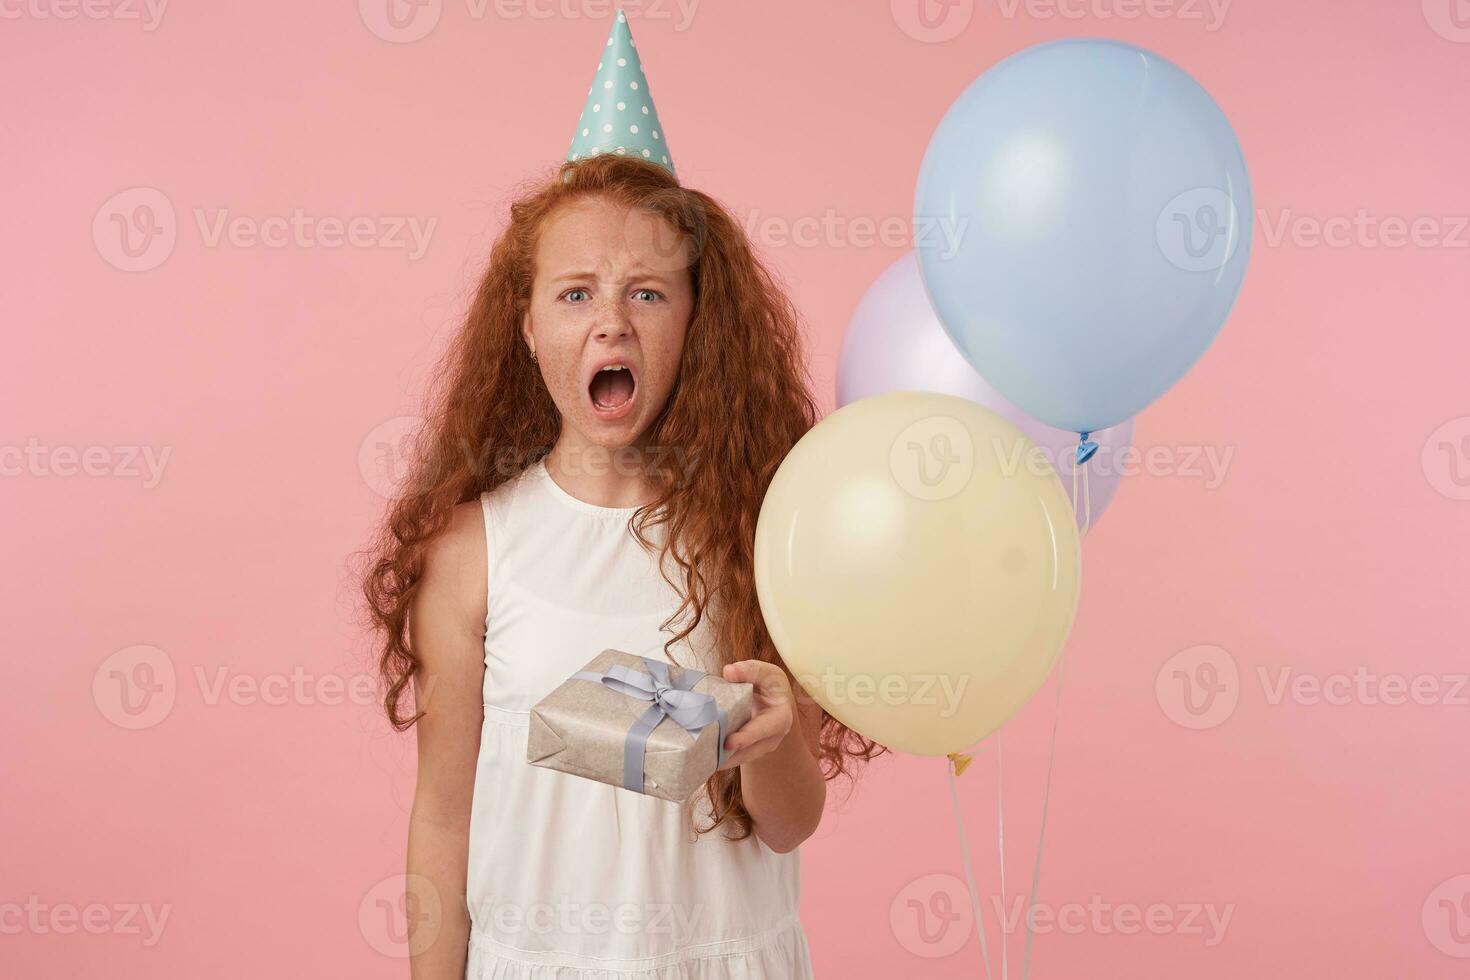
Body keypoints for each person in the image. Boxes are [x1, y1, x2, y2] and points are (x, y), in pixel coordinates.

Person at [361, 144, 886, 975]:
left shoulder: (764, 534)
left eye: (647, 292)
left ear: (695, 322)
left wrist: (777, 738)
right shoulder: (472, 550)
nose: (612, 322)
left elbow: (789, 824)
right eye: (577, 294)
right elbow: (442, 818)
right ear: (529, 327)